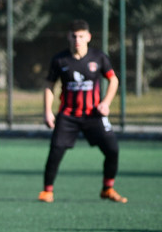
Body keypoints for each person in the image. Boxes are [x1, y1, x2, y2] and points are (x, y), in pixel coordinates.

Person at [39, 20, 125, 203]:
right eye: (74, 36)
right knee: (56, 150)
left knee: (112, 149)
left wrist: (106, 103)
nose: (77, 40)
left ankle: (108, 189)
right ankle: (47, 191)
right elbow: (49, 86)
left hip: (93, 115)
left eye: (81, 36)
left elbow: (114, 80)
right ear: (69, 37)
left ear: (88, 37)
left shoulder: (99, 57)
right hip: (68, 115)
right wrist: (47, 111)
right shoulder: (60, 60)